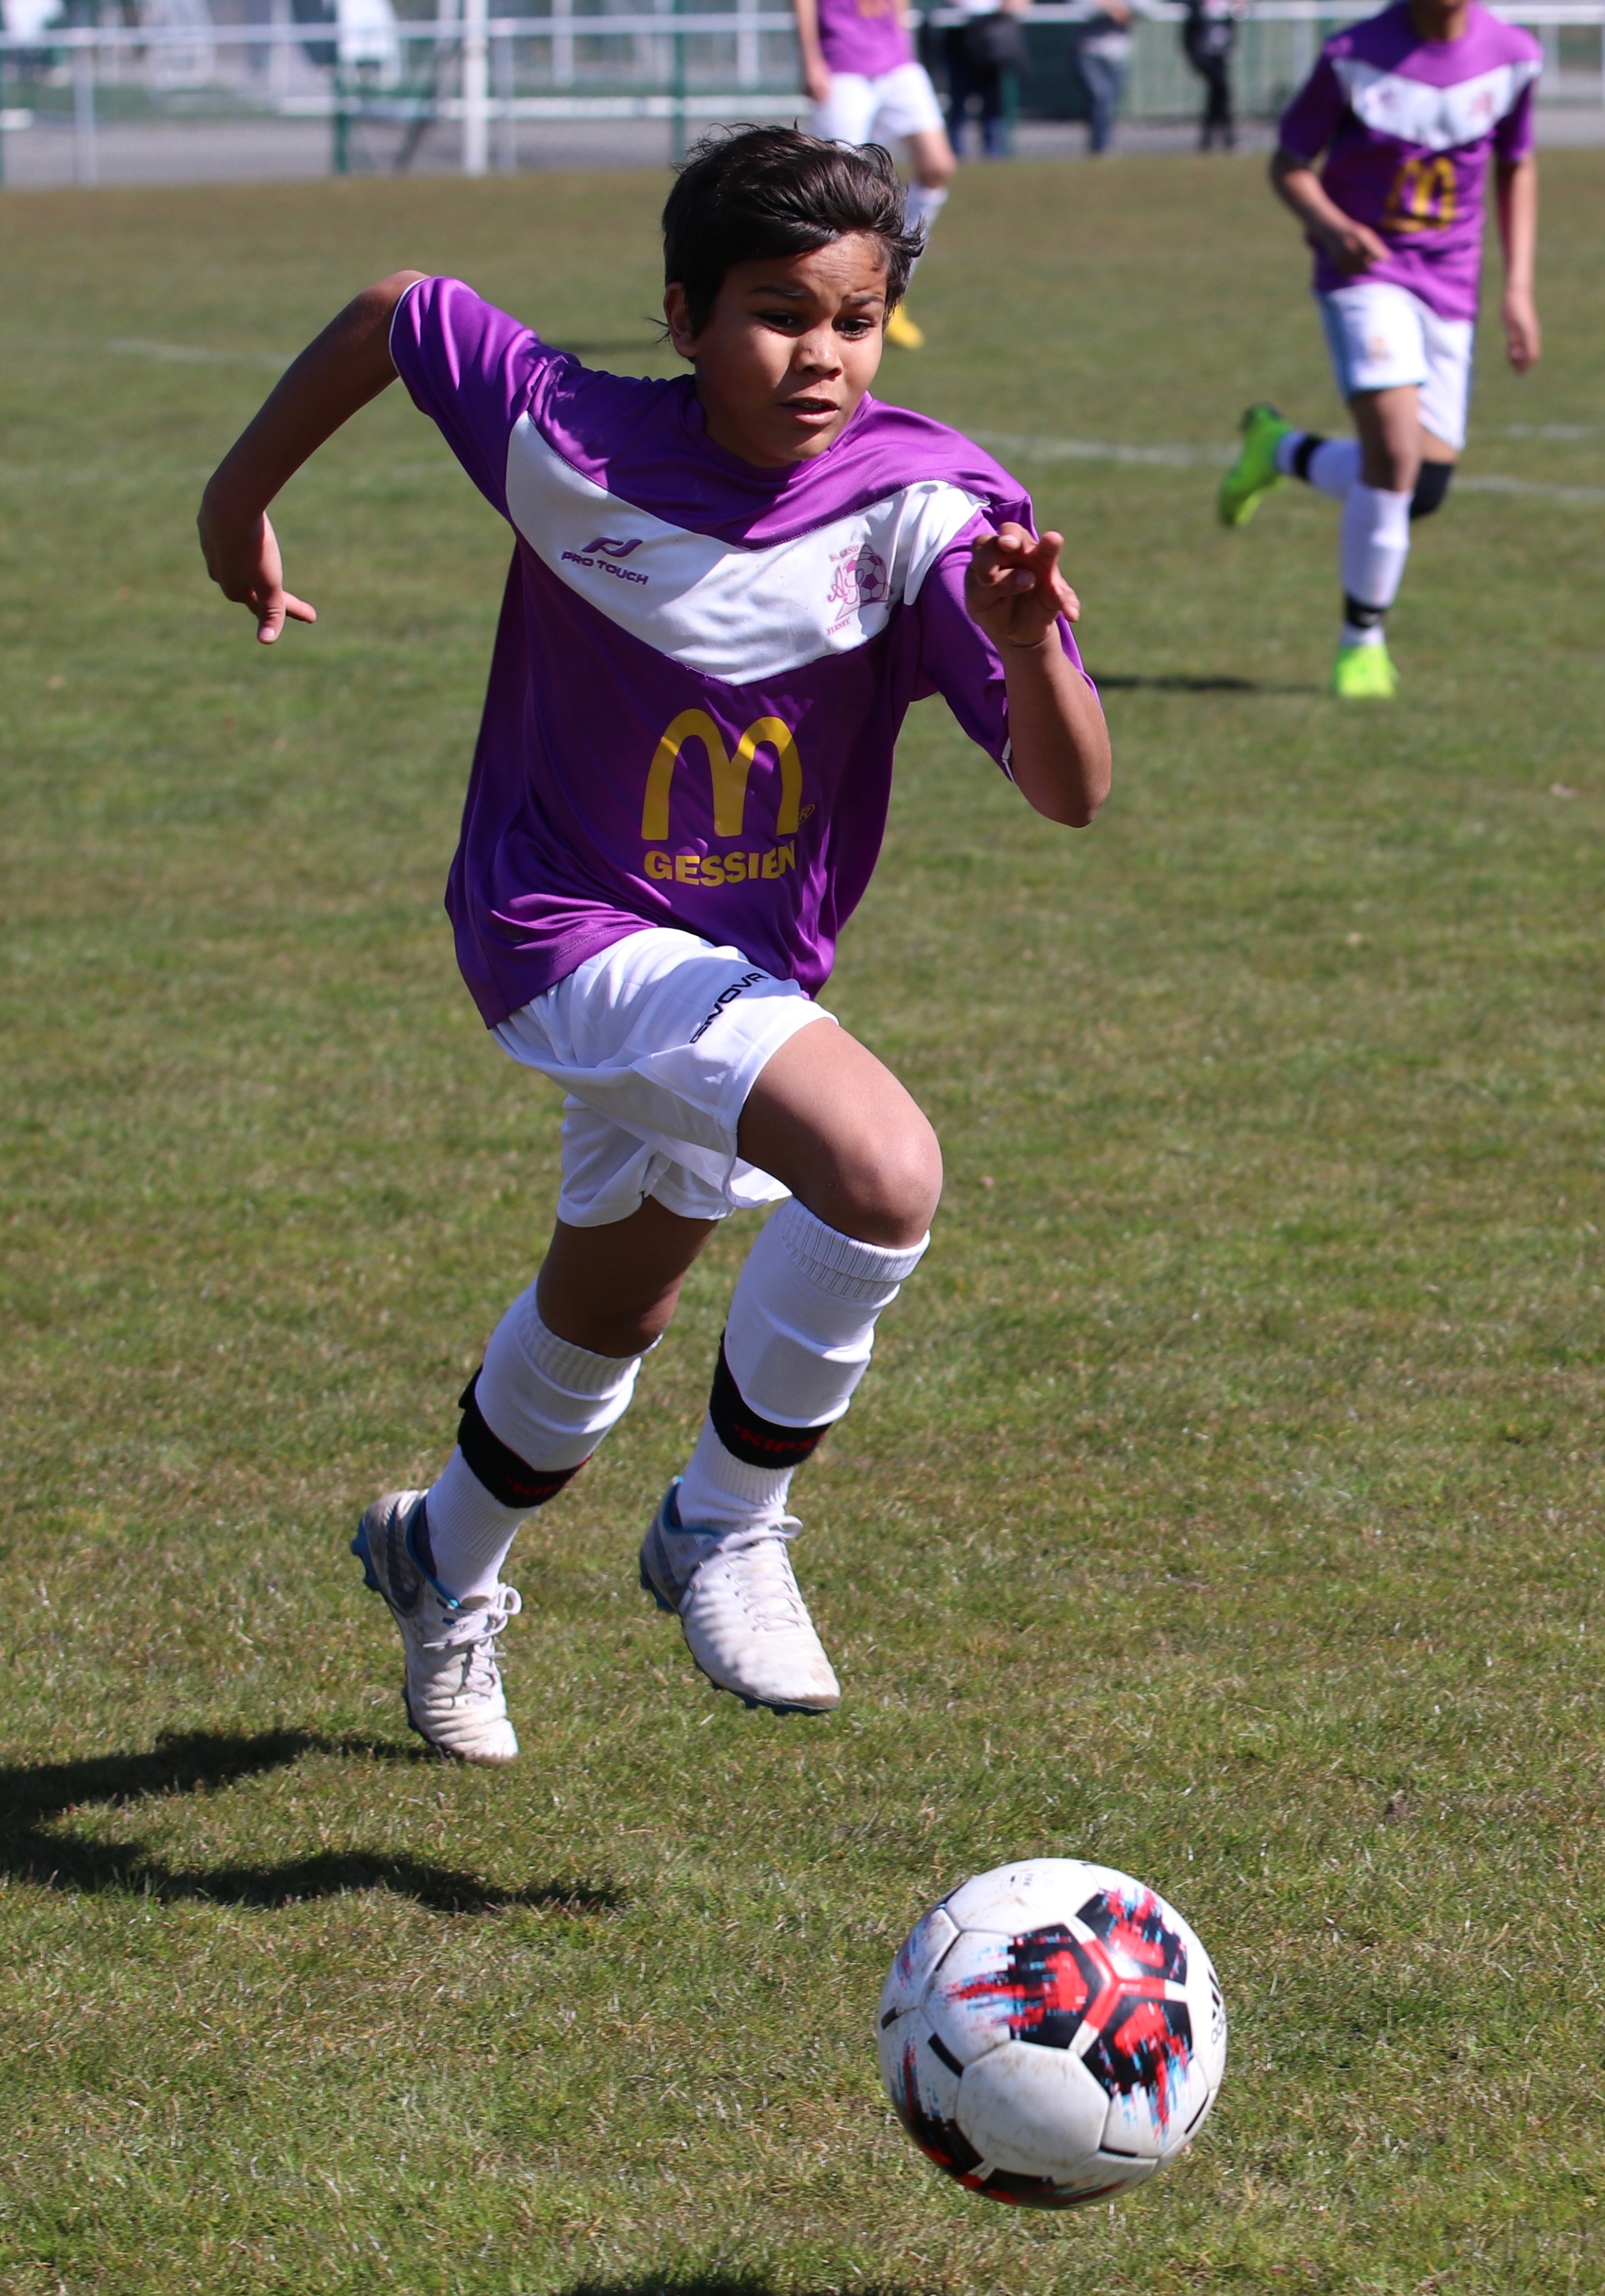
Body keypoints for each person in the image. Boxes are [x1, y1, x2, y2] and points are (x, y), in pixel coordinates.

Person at [196, 127, 1110, 1764]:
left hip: (742, 967)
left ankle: (438, 1559)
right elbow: (399, 311)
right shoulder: (566, 432)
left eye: (854, 318)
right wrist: (235, 503)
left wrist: (1029, 648)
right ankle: (725, 1526)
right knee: (882, 1170)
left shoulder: (931, 509)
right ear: (683, 315)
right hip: (553, 925)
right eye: (778, 313)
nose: (820, 355)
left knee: (608, 1306)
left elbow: (1069, 790)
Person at [1215, 0, 1540, 698]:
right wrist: (1332, 227)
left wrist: (1517, 289)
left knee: (1422, 487)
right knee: (1393, 457)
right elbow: (1289, 164)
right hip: (1365, 276)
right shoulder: (1351, 55)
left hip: (1450, 286)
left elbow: (1516, 166)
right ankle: (1360, 644)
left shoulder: (1514, 56)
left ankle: (1277, 449)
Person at [794, 0, 956, 348]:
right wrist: (810, 59)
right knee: (839, 185)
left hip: (896, 63)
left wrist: (904, 44)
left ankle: (892, 286)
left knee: (937, 165)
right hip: (842, 65)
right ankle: (830, 293)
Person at [944, 0, 1030, 161]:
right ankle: (955, 154)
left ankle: (994, 155)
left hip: (993, 37)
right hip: (960, 34)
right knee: (958, 103)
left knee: (993, 104)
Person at [1076, 0, 1133, 155]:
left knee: (1111, 101)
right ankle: (1100, 146)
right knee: (1101, 96)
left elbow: (1147, 8)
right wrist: (1108, 7)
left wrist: (1124, 9)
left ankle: (1105, 144)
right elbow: (1080, 8)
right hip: (1087, 50)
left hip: (1116, 54)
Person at [1181, 0, 1237, 152]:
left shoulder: (1227, 5)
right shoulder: (1195, 5)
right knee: (1220, 90)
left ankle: (1210, 139)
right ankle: (1226, 138)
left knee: (1218, 93)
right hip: (1202, 55)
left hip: (1220, 55)